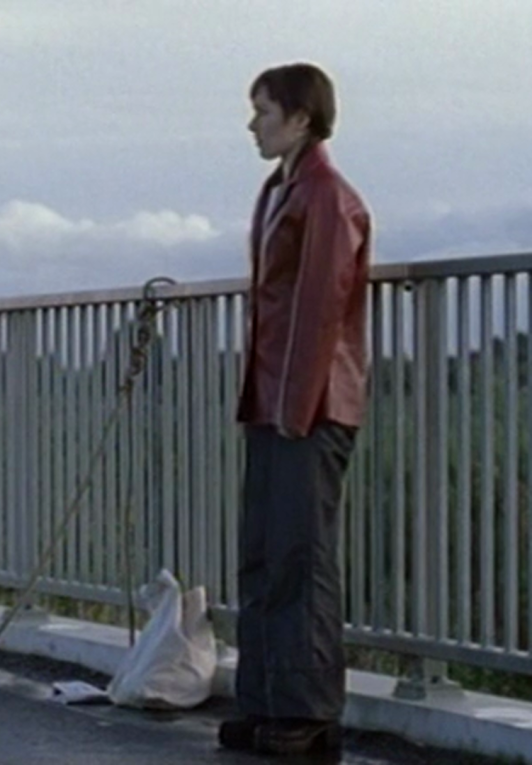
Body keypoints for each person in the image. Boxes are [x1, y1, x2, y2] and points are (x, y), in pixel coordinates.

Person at [220, 63, 371, 756]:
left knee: (301, 557)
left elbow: (319, 310)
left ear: (301, 118)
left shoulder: (328, 198)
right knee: (263, 553)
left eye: (264, 111)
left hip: (310, 404)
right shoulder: (281, 190)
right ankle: (266, 699)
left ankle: (307, 711)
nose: (253, 124)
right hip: (274, 398)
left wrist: (294, 408)